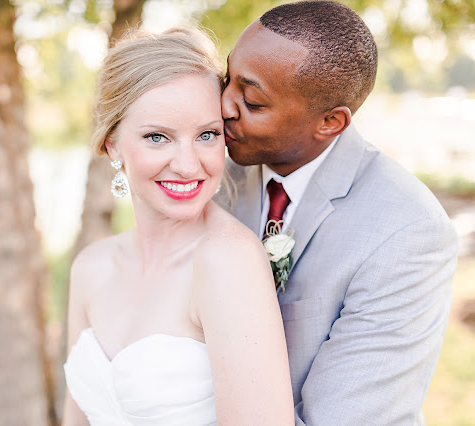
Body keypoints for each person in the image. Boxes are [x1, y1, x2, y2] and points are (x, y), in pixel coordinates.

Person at [215, 1, 459, 425]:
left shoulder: (408, 232)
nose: (223, 106)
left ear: (330, 122)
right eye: (226, 78)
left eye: (252, 101)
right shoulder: (209, 170)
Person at [62, 27, 295, 425]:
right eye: (158, 137)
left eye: (207, 134)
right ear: (112, 143)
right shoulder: (90, 267)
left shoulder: (227, 260)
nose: (188, 165)